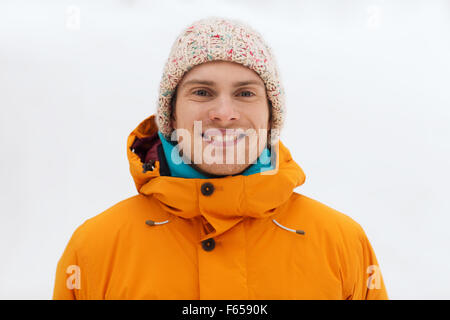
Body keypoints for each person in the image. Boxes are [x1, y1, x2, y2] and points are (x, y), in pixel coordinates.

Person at [53, 17, 388, 300]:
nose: (224, 114)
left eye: (245, 93)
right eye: (202, 92)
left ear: (271, 117)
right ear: (171, 114)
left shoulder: (341, 243)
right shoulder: (96, 249)